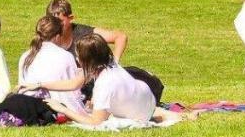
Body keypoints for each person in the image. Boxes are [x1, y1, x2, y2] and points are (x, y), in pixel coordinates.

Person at [36, 35, 186, 125]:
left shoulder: (104, 84)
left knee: (94, 114)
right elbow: (74, 83)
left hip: (140, 112)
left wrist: (62, 109)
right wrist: (39, 84)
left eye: (78, 56)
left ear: (86, 60)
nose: (76, 58)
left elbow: (96, 122)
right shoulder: (109, 63)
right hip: (146, 98)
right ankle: (167, 114)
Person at [16, 15, 85, 113]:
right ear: (57, 36)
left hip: (27, 106)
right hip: (56, 108)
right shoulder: (66, 56)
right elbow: (74, 92)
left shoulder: (25, 56)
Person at [46, 0, 129, 62]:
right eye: (51, 21)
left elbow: (120, 37)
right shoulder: (45, 37)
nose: (55, 25)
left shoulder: (83, 33)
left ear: (70, 18)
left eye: (59, 21)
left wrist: (114, 62)